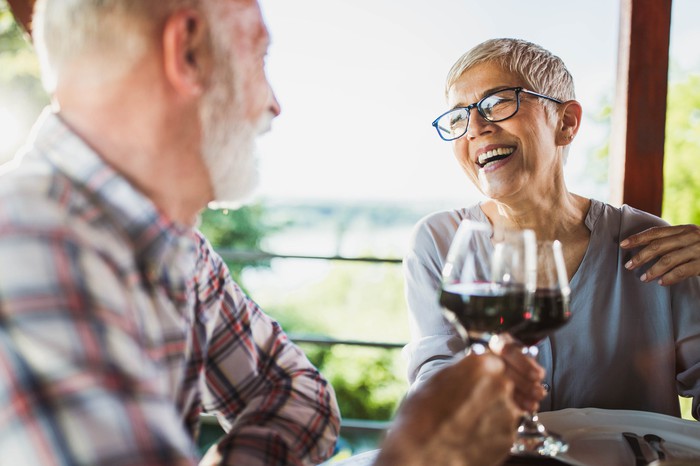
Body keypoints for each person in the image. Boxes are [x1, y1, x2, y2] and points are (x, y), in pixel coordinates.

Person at [0, 3, 543, 466]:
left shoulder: (175, 247)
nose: (274, 104)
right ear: (186, 53)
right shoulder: (30, 254)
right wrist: (415, 456)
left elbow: (304, 399)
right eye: (259, 57)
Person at [403, 38, 700, 420]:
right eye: (459, 117)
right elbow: (432, 398)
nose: (475, 127)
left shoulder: (652, 243)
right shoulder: (438, 241)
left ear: (566, 123)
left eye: (496, 103)